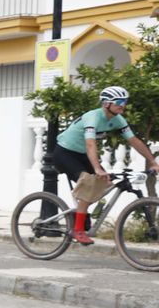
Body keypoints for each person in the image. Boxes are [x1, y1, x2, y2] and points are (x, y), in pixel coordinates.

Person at [54, 86, 159, 245]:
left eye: (124, 102)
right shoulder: (93, 117)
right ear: (106, 104)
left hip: (82, 155)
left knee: (106, 182)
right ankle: (78, 229)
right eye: (119, 102)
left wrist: (152, 161)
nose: (122, 105)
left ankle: (83, 212)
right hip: (65, 153)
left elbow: (134, 141)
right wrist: (97, 168)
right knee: (89, 183)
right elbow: (90, 144)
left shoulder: (118, 119)